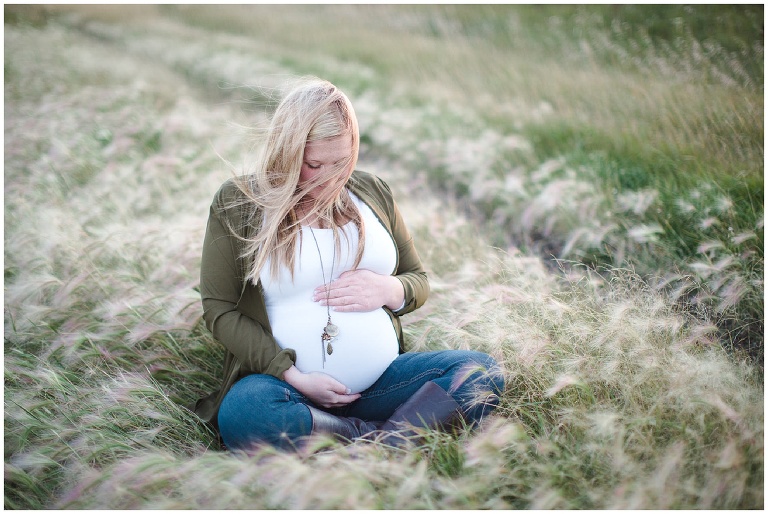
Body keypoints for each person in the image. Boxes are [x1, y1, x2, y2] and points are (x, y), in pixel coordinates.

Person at [192, 77, 503, 451]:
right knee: (245, 412)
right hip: (288, 391)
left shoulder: (372, 192)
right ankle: (392, 436)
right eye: (313, 164)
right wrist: (292, 376)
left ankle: (353, 440)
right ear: (286, 153)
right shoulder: (240, 202)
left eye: (341, 162)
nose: (329, 179)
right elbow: (220, 310)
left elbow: (417, 280)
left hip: (382, 383)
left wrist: (390, 289)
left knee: (482, 372)